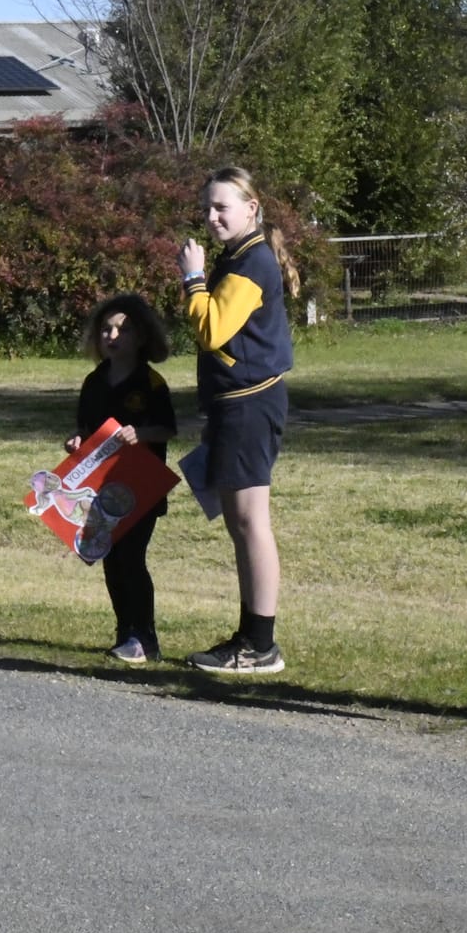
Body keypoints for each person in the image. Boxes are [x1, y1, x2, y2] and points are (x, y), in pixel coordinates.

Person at [177, 166, 296, 674]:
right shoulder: (239, 257)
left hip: (251, 404)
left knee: (251, 524)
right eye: (207, 208)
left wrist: (192, 277)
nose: (211, 217)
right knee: (239, 525)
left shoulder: (251, 263)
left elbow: (213, 328)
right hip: (234, 405)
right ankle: (249, 637)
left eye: (221, 207)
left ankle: (261, 645)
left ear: (251, 208)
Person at [64, 293, 177, 664]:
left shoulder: (152, 383)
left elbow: (168, 429)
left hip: (140, 488)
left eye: (123, 330)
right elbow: (85, 429)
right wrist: (76, 442)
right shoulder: (94, 382)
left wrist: (140, 434)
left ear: (142, 336)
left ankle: (145, 636)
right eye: (106, 329)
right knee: (111, 560)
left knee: (132, 558)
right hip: (101, 491)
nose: (113, 336)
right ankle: (125, 632)